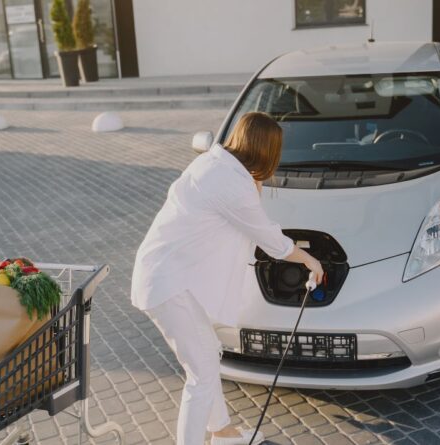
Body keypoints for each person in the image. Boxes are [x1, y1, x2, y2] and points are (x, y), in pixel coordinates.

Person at [131, 112, 324, 445]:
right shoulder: (233, 184)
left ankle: (222, 432)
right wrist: (310, 260)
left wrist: (255, 183)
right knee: (201, 374)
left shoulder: (215, 165)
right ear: (267, 151)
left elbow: (247, 215)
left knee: (206, 354)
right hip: (168, 283)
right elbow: (270, 240)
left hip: (165, 275)